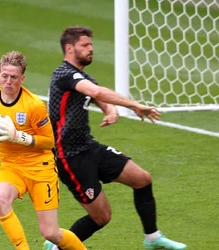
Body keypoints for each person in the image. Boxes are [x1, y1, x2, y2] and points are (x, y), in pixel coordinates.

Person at [44, 26, 187, 250]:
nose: (91, 49)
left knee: (142, 178)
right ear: (70, 48)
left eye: (91, 44)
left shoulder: (82, 76)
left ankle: (153, 238)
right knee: (102, 217)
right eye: (85, 45)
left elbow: (99, 96)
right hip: (69, 156)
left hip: (89, 147)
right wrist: (134, 104)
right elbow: (97, 92)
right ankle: (56, 245)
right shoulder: (63, 74)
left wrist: (110, 111)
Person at [0, 51, 86, 250]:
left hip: (40, 169)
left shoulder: (34, 106)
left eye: (14, 77)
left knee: (50, 233)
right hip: (11, 168)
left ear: (22, 79)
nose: (8, 81)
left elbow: (49, 141)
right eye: (5, 76)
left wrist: (18, 136)